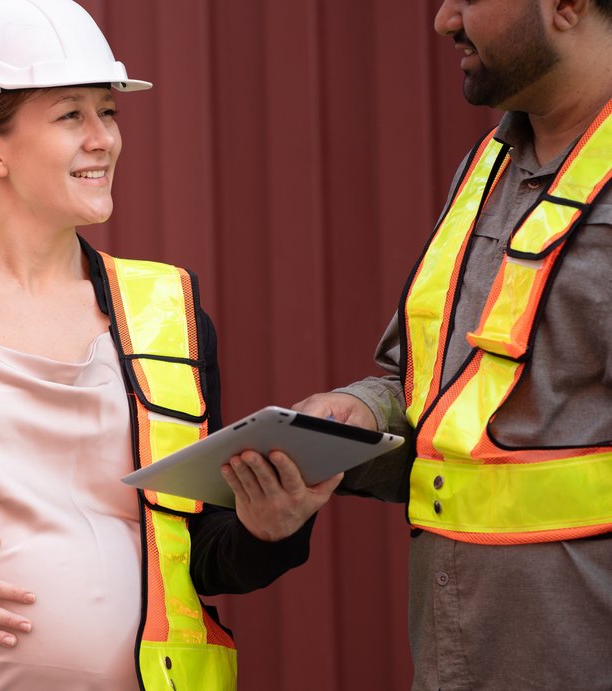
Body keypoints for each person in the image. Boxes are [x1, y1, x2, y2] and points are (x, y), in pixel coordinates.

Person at [0, 1, 341, 689]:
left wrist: (267, 528)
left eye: (108, 112)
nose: (104, 138)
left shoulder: (168, 311)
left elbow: (198, 555)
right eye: (72, 115)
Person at [291, 0, 612, 688]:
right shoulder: (486, 169)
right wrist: (356, 418)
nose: (444, 20)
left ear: (567, 5)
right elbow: (447, 400)